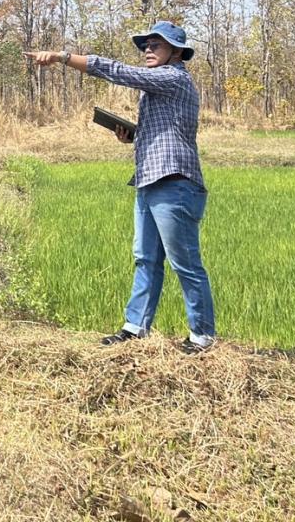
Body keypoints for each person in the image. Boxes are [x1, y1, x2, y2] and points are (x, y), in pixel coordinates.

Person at [26, 21, 216, 354]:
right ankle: (135, 327)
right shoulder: (159, 87)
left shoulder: (174, 78)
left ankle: (202, 335)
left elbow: (117, 72)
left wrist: (62, 56)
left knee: (184, 262)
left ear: (176, 52)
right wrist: (133, 134)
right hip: (149, 178)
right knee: (145, 258)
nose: (148, 50)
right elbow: (163, 132)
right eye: (146, 45)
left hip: (174, 182)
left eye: (156, 45)